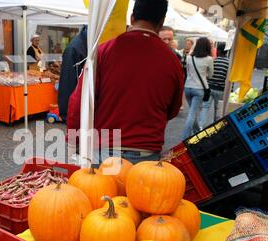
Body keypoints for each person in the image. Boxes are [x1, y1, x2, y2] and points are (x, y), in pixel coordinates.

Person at [67, 0, 184, 165]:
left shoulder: (103, 51)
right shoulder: (173, 61)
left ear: (132, 17)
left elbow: (79, 101)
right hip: (146, 154)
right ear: (162, 21)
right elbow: (173, 109)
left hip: (104, 151)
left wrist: (74, 140)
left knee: (98, 191)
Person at [182, 37, 214, 140]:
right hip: (199, 89)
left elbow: (187, 70)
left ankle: (196, 131)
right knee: (192, 113)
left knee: (192, 111)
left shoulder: (189, 57)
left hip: (187, 87)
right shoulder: (209, 59)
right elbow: (211, 75)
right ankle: (185, 138)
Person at [58, 25, 87, 121]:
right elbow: (67, 82)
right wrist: (66, 113)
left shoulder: (89, 43)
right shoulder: (74, 48)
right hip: (80, 108)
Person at [202, 43, 230, 124]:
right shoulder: (229, 63)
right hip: (221, 90)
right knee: (218, 110)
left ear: (219, 51)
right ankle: (215, 128)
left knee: (205, 107)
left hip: (209, 88)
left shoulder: (213, 61)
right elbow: (228, 79)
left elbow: (207, 75)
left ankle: (201, 126)